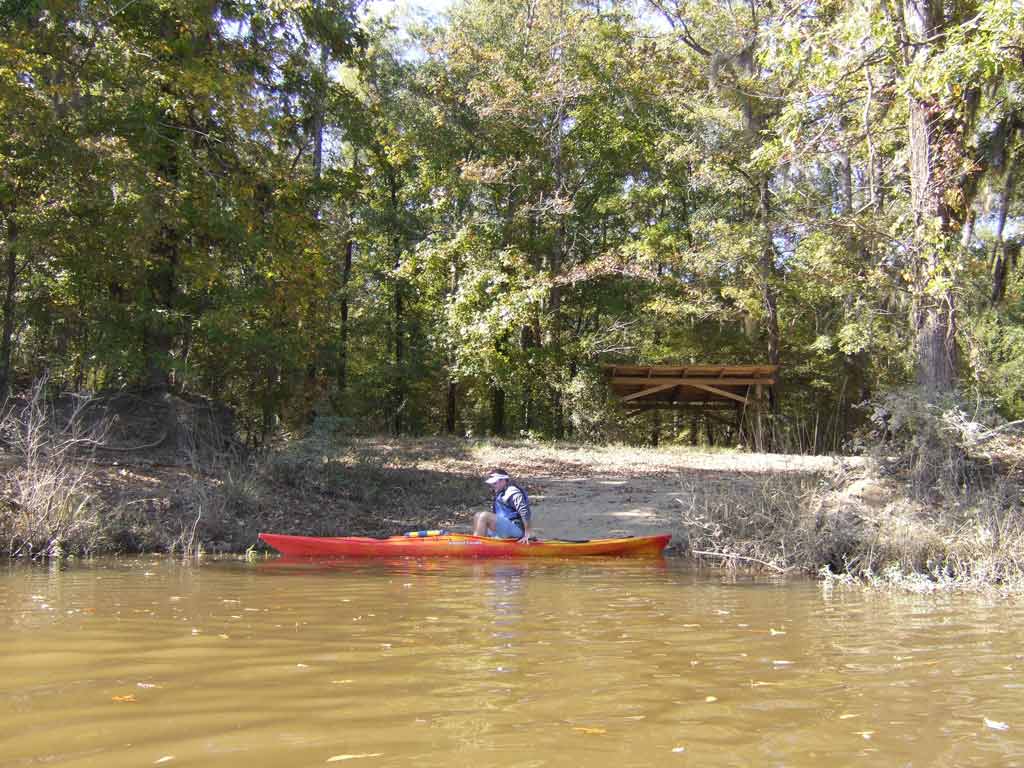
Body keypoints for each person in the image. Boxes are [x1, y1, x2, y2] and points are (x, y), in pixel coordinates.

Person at [474, 469, 533, 544]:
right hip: (506, 527)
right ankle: (476, 542)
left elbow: (525, 512)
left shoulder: (513, 492)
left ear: (503, 481)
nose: (492, 486)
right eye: (492, 483)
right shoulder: (500, 492)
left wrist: (527, 534)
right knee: (477, 515)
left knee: (484, 516)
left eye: (495, 483)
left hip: (517, 529)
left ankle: (477, 545)